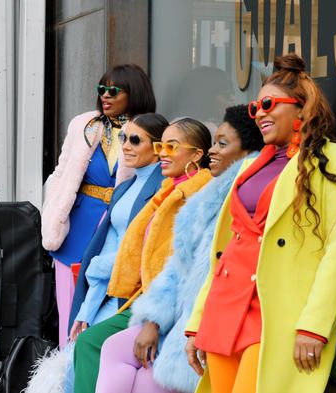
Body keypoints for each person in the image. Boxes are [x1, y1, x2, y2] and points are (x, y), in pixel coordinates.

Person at [184, 53, 336, 393]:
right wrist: (198, 321)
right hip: (225, 309)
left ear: (302, 107)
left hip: (277, 315)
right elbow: (223, 250)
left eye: (269, 104)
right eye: (255, 108)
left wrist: (315, 326)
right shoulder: (249, 167)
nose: (260, 114)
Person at [93, 105, 265, 393]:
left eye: (222, 144)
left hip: (205, 325)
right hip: (176, 316)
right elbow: (176, 267)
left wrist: (190, 328)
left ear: (246, 154)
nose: (212, 150)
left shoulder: (236, 201)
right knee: (114, 349)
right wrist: (154, 319)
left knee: (149, 375)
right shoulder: (205, 198)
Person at [73, 118, 214, 393]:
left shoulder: (195, 196)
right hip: (146, 298)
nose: (163, 153)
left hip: (173, 310)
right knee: (93, 343)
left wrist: (154, 319)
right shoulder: (168, 191)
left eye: (172, 147)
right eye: (162, 145)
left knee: (107, 349)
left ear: (197, 155)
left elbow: (180, 267)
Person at [42, 64, 156, 349]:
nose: (105, 95)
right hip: (77, 227)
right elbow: (60, 173)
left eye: (114, 90)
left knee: (105, 310)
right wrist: (52, 213)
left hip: (118, 228)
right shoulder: (84, 124)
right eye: (101, 89)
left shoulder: (148, 130)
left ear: (134, 93)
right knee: (70, 314)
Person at [70, 113, 169, 340]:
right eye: (123, 138)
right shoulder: (123, 189)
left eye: (135, 140)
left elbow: (150, 254)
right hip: (112, 293)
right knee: (76, 349)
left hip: (141, 298)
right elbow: (107, 249)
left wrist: (100, 266)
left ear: (157, 148)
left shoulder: (165, 189)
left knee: (90, 348)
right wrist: (85, 313)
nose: (125, 146)